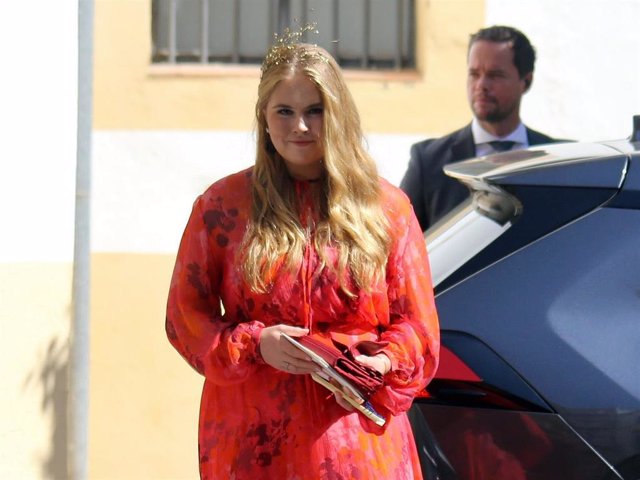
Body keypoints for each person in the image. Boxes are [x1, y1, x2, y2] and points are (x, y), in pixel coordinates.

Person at [165, 32, 440, 479]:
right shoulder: (221, 207)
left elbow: (419, 327)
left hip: (356, 441)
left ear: (339, 113)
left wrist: (385, 359)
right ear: (264, 118)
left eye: (316, 110)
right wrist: (255, 344)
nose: (301, 127)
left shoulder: (387, 208)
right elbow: (185, 317)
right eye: (285, 112)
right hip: (253, 438)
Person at [400, 25, 559, 231]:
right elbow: (399, 241)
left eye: (495, 75)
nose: (481, 85)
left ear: (526, 81)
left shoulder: (557, 160)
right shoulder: (428, 162)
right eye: (474, 74)